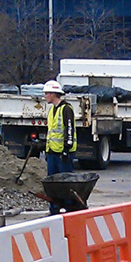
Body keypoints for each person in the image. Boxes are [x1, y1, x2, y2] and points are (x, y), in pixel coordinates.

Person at [42, 79, 76, 214]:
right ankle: (54, 207)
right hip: (52, 152)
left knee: (65, 182)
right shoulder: (52, 110)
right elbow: (52, 131)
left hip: (63, 153)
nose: (45, 96)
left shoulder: (66, 109)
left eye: (47, 93)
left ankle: (69, 207)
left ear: (53, 94)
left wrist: (67, 149)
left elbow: (69, 129)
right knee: (52, 183)